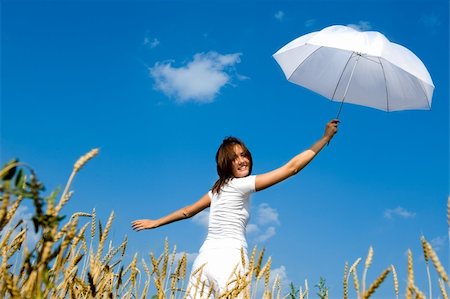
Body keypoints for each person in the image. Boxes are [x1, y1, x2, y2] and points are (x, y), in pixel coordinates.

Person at [132, 119, 339, 298]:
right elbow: (291, 168)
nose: (242, 160)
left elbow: (188, 211)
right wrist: (325, 137)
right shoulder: (241, 184)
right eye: (234, 158)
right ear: (226, 164)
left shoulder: (217, 190)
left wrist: (156, 222)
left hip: (203, 260)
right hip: (230, 258)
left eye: (244, 155)